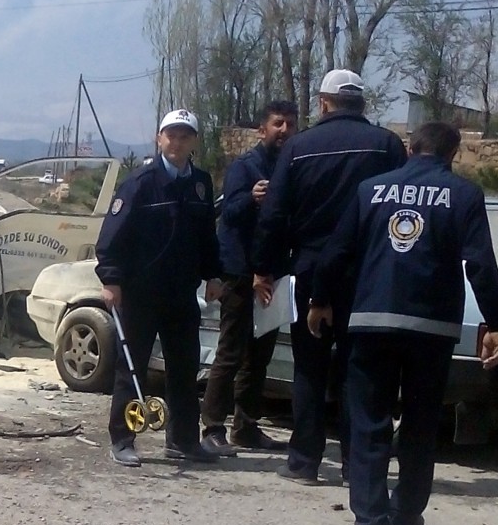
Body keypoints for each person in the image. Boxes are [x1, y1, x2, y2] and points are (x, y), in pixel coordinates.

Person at [307, 122, 498, 525]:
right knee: (420, 422)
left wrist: (320, 299)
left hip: (372, 320)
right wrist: (496, 322)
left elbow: (336, 251)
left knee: (368, 421)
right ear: (453, 153)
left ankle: (370, 523)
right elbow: (481, 266)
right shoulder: (465, 195)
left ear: (409, 148)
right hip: (431, 329)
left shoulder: (370, 190)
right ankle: (407, 512)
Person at [252, 69, 407, 485]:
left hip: (311, 268)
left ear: (323, 103)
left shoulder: (299, 147)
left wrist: (264, 268)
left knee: (309, 368)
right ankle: (359, 463)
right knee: (361, 370)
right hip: (368, 275)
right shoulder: (387, 145)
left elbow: (274, 214)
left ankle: (304, 461)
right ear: (362, 104)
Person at [96, 108, 222, 467]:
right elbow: (110, 238)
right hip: (140, 293)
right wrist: (111, 279)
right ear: (159, 138)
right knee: (131, 368)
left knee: (184, 369)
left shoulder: (199, 183)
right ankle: (122, 438)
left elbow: (206, 237)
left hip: (181, 294)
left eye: (185, 136)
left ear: (193, 141)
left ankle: (182, 440)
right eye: (171, 135)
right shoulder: (141, 182)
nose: (177, 142)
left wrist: (214, 275)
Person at [200, 100, 298, 456]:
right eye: (277, 124)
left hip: (273, 275)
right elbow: (229, 215)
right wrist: (251, 199)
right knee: (231, 350)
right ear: (263, 130)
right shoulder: (246, 166)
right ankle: (212, 427)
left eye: (290, 124)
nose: (284, 130)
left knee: (260, 355)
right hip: (240, 272)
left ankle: (247, 426)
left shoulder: (291, 169)